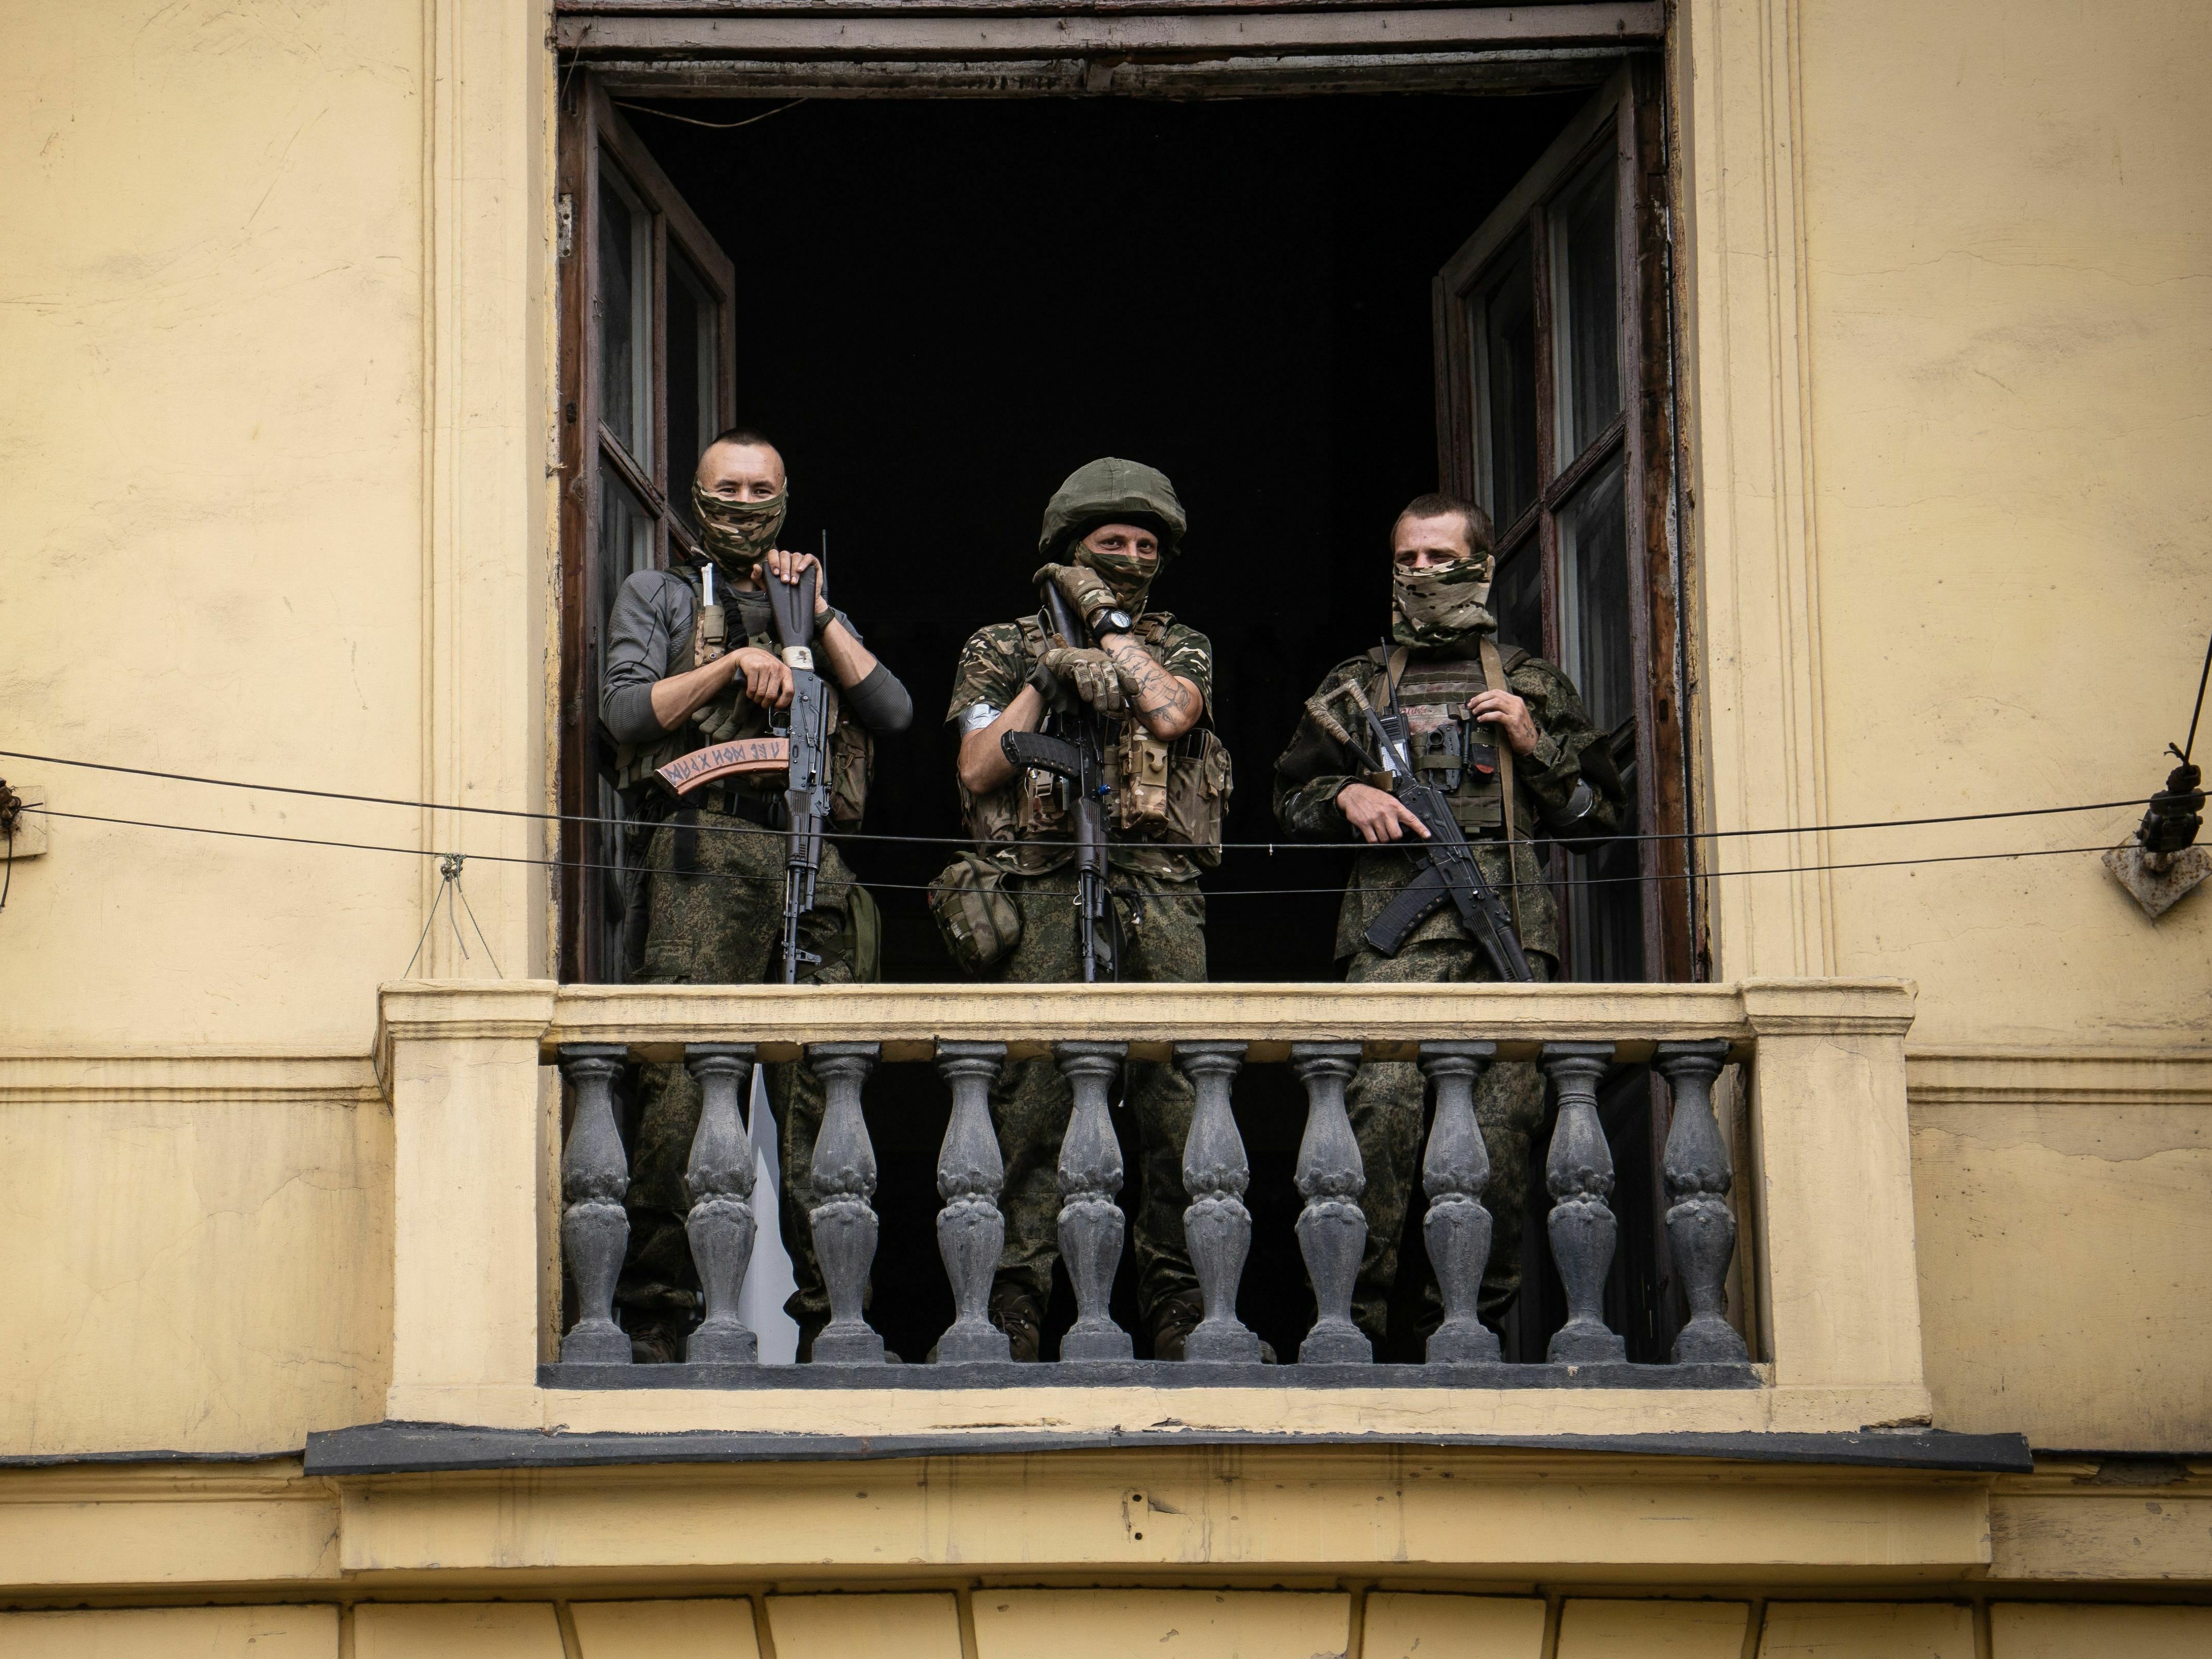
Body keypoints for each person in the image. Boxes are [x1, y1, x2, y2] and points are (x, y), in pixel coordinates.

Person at [1272, 492, 1623, 1352]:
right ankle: (1351, 1334)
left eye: (1439, 557)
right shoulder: (1356, 687)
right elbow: (1287, 797)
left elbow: (1598, 823)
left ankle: (1461, 1336)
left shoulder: (1530, 682)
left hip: (1505, 952)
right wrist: (1347, 793)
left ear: (1481, 566)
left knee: (1498, 1157)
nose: (1421, 573)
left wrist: (1536, 745)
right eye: (1408, 559)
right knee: (1372, 1136)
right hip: (1390, 954)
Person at [599, 426, 914, 1362]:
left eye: (759, 489)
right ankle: (660, 1318)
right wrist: (734, 664)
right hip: (706, 846)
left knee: (828, 1086)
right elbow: (621, 714)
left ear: (786, 497)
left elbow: (890, 710)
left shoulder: (808, 600)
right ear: (696, 501)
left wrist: (809, 614)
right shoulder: (658, 595)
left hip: (809, 851)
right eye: (724, 489)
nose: (742, 504)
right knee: (685, 1085)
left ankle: (836, 1321)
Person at [943, 457, 1234, 1361]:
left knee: (1174, 1099)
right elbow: (978, 766)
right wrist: (1051, 670)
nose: (1133, 556)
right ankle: (1016, 1301)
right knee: (1030, 1098)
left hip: (1158, 893)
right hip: (1038, 890)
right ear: (1069, 549)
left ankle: (1180, 1301)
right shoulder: (998, 645)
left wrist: (1109, 631)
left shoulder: (1179, 643)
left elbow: (1172, 712)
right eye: (1111, 544)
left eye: (1148, 545)